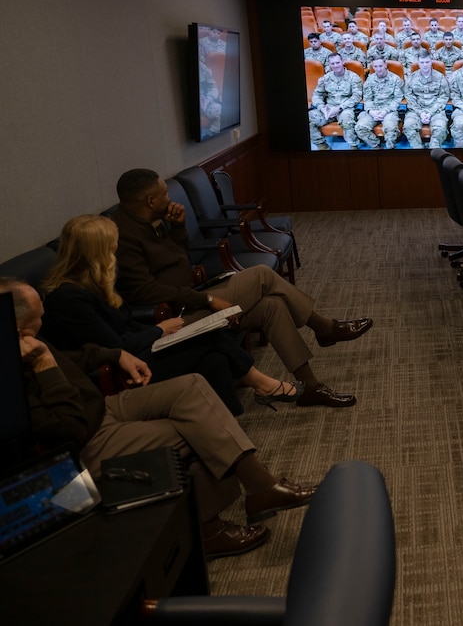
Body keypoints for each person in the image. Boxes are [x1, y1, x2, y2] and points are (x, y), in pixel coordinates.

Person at [4, 277, 317, 560]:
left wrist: (115, 355)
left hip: (104, 406)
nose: (44, 321)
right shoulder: (14, 381)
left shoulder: (28, 342)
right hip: (87, 440)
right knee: (196, 431)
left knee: (191, 386)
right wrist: (45, 366)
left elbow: (70, 358)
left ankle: (261, 489)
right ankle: (211, 530)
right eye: (38, 319)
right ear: (16, 330)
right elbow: (69, 427)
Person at [110, 169, 370, 408]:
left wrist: (178, 228)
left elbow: (177, 262)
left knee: (273, 306)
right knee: (261, 275)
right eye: (164, 193)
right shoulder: (125, 236)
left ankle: (311, 386)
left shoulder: (154, 221)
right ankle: (324, 327)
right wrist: (209, 298)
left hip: (193, 298)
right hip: (176, 319)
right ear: (150, 202)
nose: (170, 198)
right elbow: (145, 292)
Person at [40, 215, 300, 415]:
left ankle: (233, 425)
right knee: (208, 341)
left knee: (214, 357)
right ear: (95, 252)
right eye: (111, 247)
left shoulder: (93, 283)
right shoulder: (68, 298)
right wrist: (160, 330)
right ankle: (260, 384)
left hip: (137, 351)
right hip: (118, 372)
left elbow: (127, 325)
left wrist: (162, 332)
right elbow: (114, 347)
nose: (116, 252)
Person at [308, 53, 363, 149]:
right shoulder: (326, 78)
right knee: (309, 118)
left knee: (347, 119)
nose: (335, 65)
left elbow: (357, 96)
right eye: (332, 63)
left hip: (345, 108)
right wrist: (322, 107)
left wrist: (339, 108)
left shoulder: (353, 77)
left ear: (343, 62)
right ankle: (322, 146)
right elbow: (317, 95)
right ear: (329, 64)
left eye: (337, 62)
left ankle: (353, 146)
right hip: (328, 109)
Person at [402, 51, 449, 150]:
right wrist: (421, 113)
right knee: (408, 126)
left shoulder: (440, 77)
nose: (425, 65)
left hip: (436, 110)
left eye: (427, 62)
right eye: (422, 62)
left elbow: (444, 96)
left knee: (441, 128)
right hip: (416, 110)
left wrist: (430, 112)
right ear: (418, 63)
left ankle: (434, 150)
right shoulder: (412, 77)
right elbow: (409, 96)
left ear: (431, 62)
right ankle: (418, 150)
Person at [356, 56, 404, 149]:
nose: (378, 69)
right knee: (360, 128)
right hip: (373, 109)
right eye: (376, 66)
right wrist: (371, 111)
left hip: (389, 110)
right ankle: (376, 146)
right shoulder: (369, 80)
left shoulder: (395, 79)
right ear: (373, 67)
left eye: (381, 66)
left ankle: (390, 148)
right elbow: (367, 98)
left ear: (385, 65)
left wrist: (386, 111)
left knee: (391, 129)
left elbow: (398, 98)